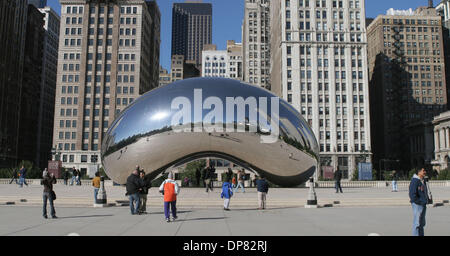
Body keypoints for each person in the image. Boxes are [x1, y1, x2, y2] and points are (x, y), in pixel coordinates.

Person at [409, 167, 430, 236]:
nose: (425, 172)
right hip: (418, 205)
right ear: (419, 172)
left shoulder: (422, 180)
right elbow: (412, 195)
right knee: (417, 224)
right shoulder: (415, 181)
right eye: (423, 171)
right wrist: (420, 202)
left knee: (421, 224)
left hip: (422, 204)